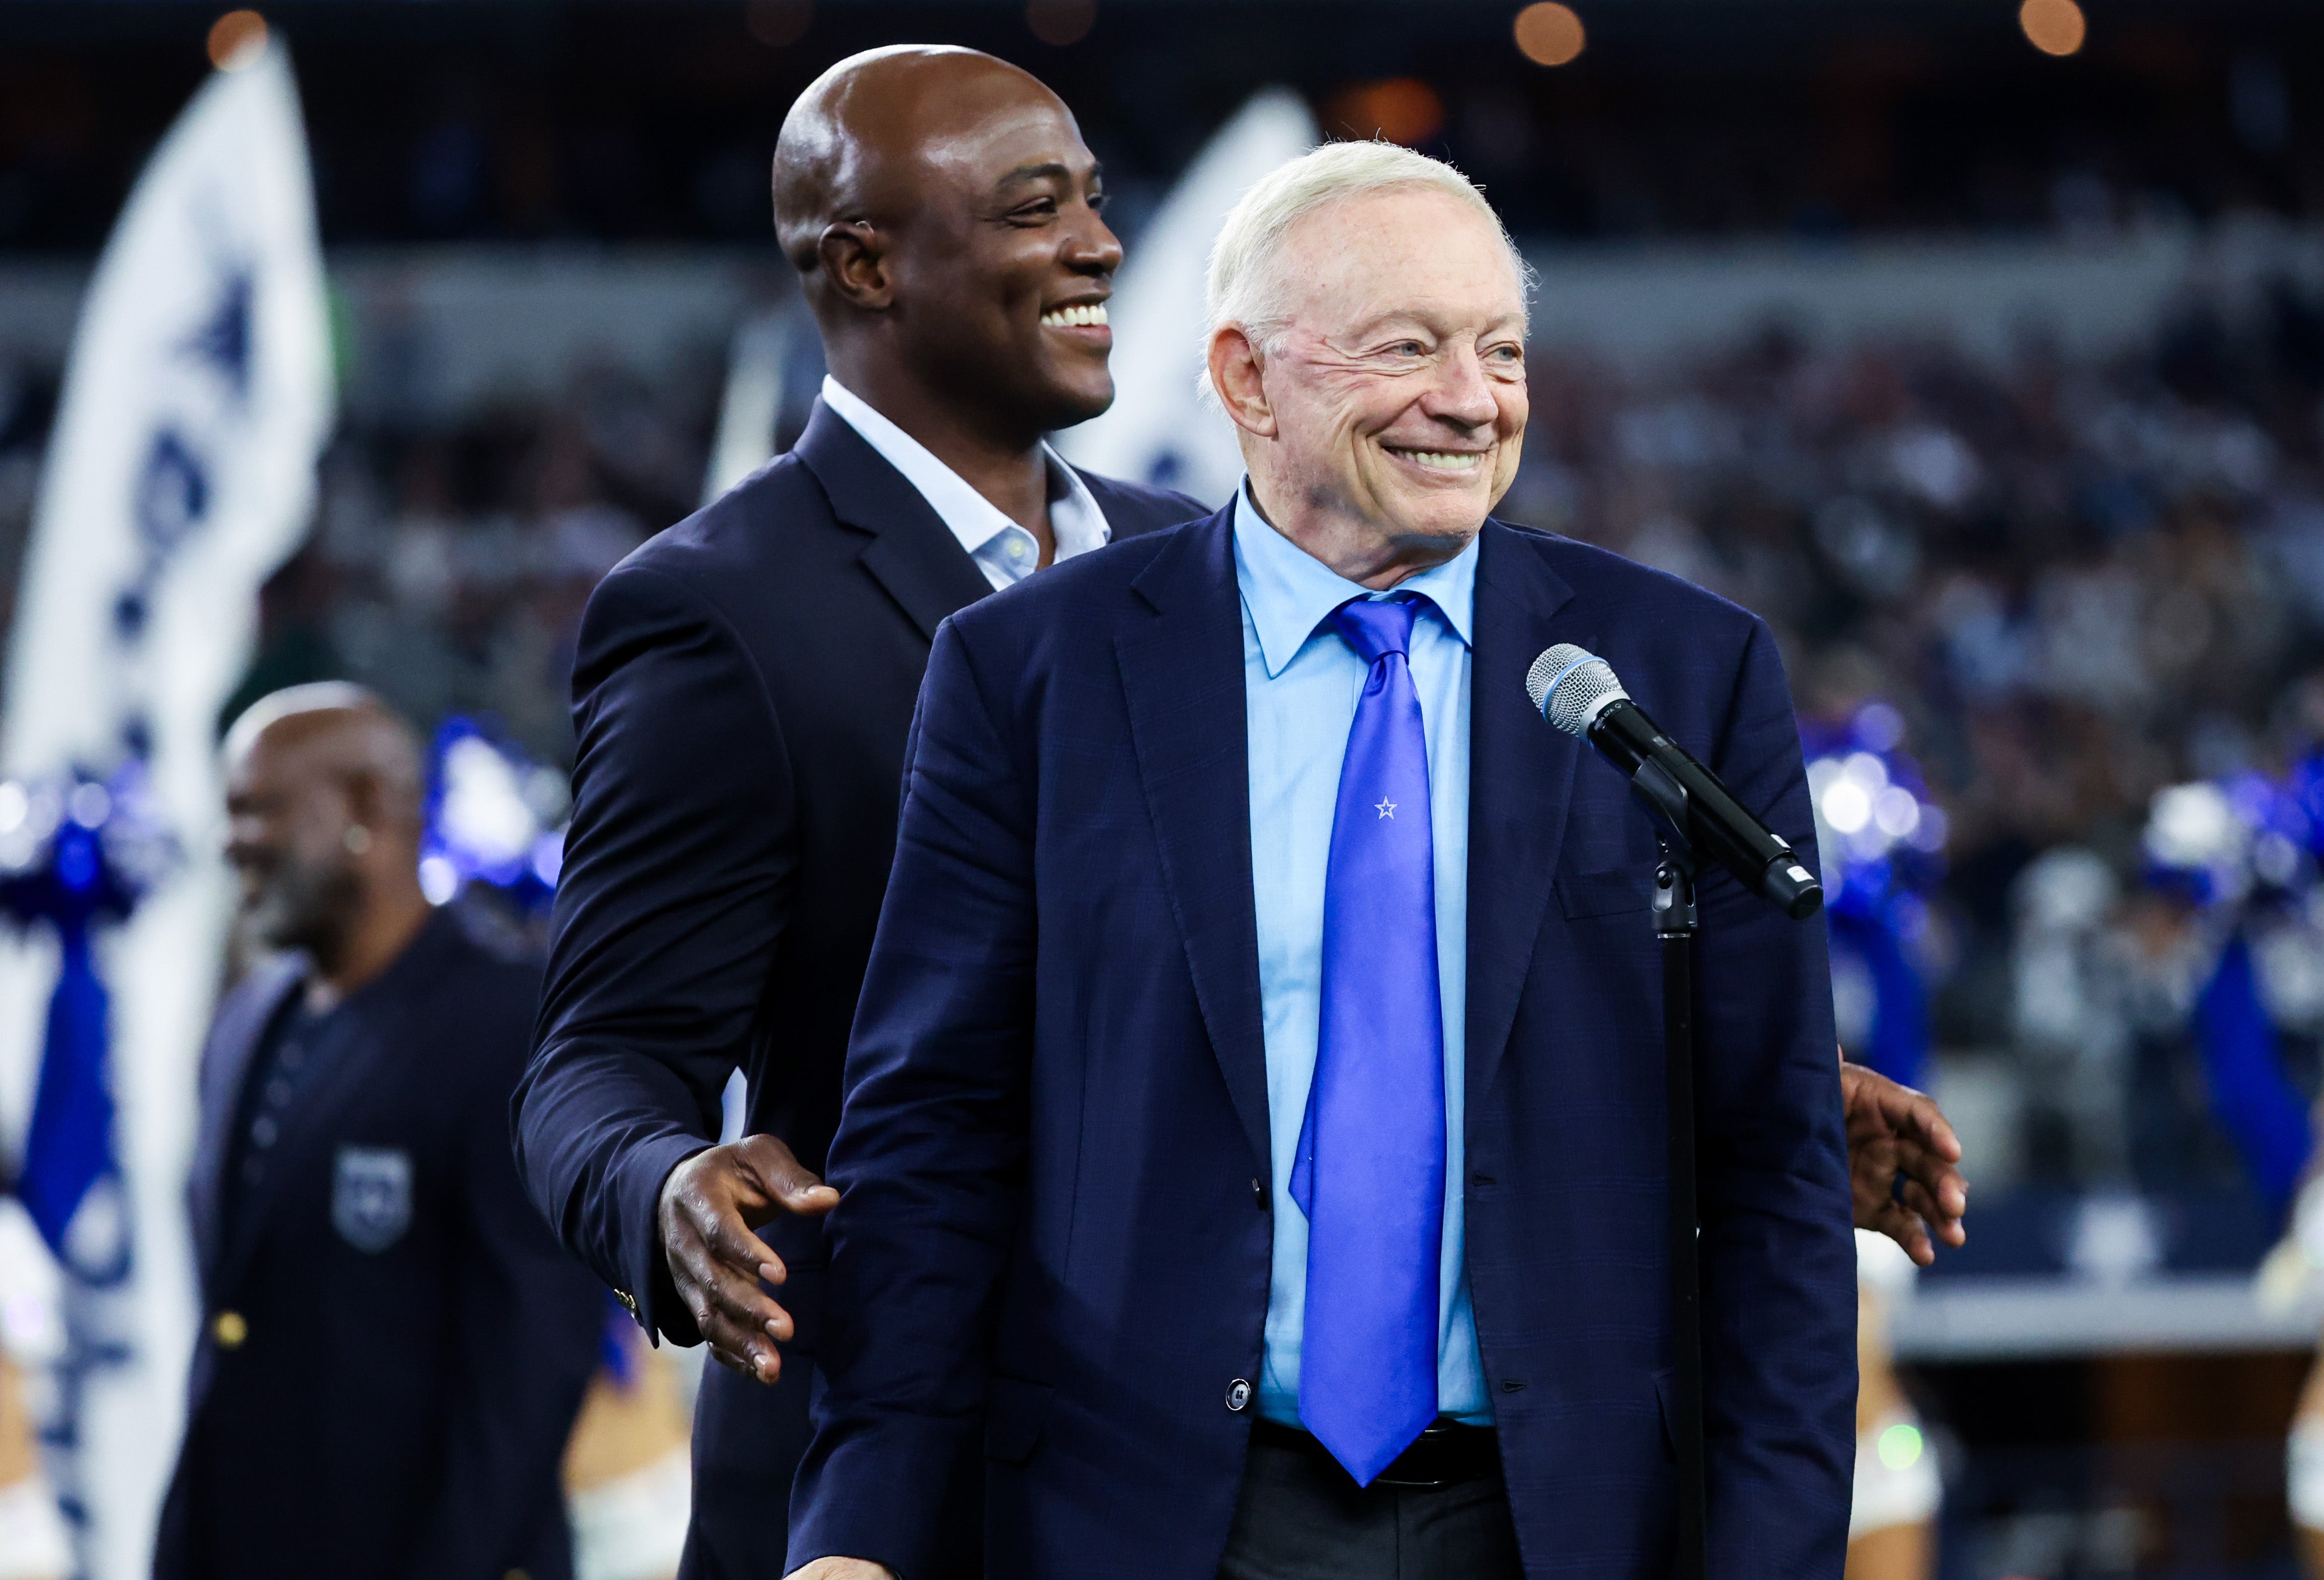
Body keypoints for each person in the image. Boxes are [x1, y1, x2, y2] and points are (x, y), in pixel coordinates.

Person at [784, 142, 1856, 1580]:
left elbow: (1779, 1172)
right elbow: (931, 1138)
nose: (1472, 399)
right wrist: (859, 1535)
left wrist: (1777, 1553)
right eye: (1407, 347)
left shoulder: (1681, 670)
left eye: (1500, 350)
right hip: (1151, 1515)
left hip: (1569, 1521)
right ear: (1244, 378)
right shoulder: (1030, 674)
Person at [510, 46, 1204, 1580]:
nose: (1099, 243)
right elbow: (599, 1061)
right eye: (1037, 208)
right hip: (896, 1490)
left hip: (1204, 1477)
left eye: (1094, 197)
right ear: (866, 262)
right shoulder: (716, 613)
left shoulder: (1204, 563)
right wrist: (664, 1186)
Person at [155, 684, 604, 1580]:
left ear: (366, 807)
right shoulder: (249, 1018)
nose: (231, 840)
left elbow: (528, 1367)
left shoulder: (509, 1023)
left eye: (260, 810)